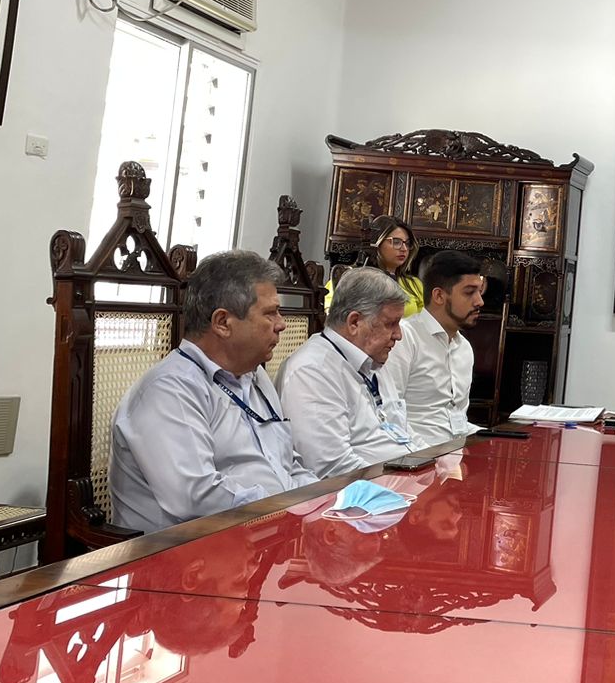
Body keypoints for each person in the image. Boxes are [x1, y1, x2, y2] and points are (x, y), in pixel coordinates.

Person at [111, 250, 317, 533]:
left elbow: (289, 465)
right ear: (222, 323)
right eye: (270, 313)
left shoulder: (254, 376)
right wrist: (289, 508)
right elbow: (195, 497)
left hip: (269, 531)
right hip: (189, 549)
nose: (282, 324)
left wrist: (325, 502)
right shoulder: (170, 389)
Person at [276, 266, 411, 478]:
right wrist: (402, 486)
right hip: (369, 491)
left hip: (403, 479)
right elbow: (331, 468)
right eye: (390, 324)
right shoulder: (312, 371)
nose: (398, 335)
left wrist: (435, 469)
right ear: (354, 322)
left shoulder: (372, 360)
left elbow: (405, 436)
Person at [382, 249, 487, 447]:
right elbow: (388, 415)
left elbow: (457, 420)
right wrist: (430, 456)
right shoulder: (404, 338)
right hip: (414, 455)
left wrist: (490, 439)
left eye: (479, 291)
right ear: (439, 295)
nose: (479, 301)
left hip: (455, 453)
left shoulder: (464, 347)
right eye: (469, 292)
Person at [326, 215, 424, 316]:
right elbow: (335, 318)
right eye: (396, 242)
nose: (404, 248)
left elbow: (425, 321)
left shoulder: (414, 285)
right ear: (377, 243)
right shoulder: (347, 280)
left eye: (407, 243)